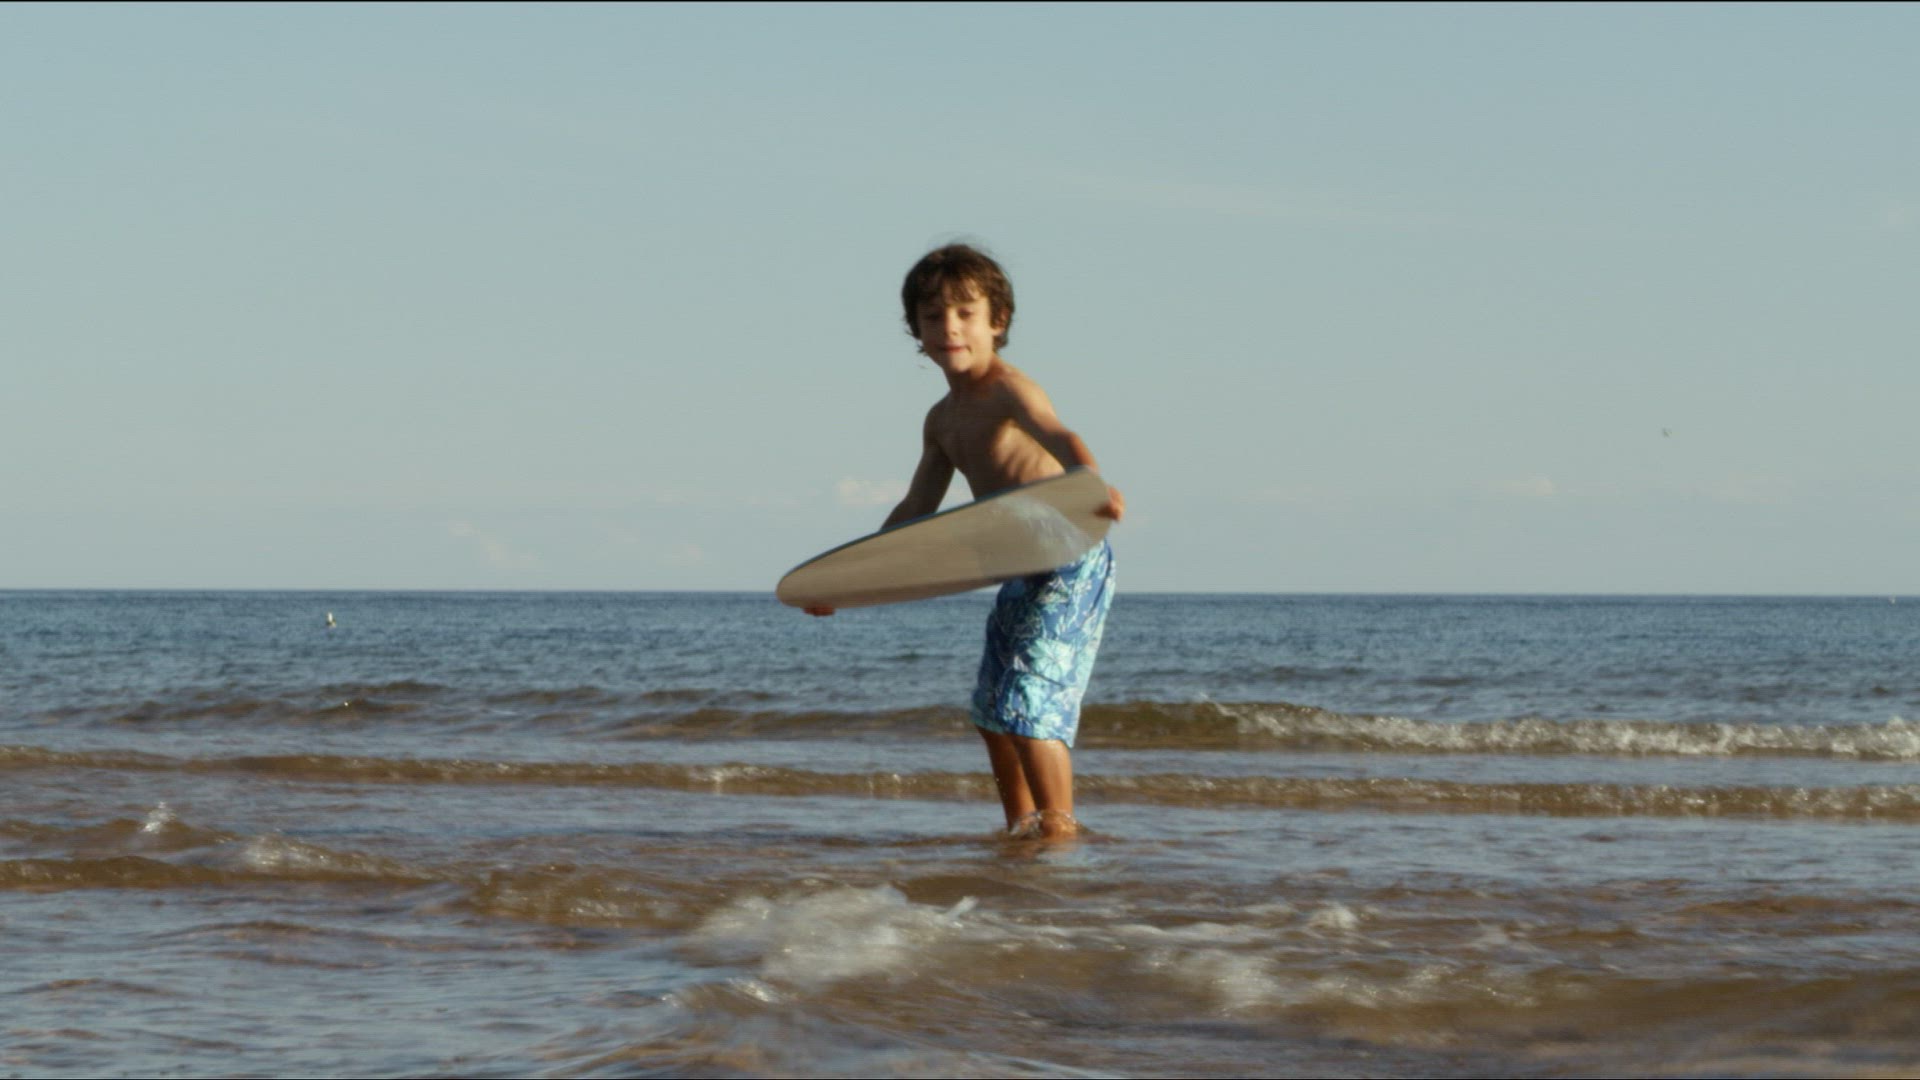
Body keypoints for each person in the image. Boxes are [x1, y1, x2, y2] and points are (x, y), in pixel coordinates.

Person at [805, 244, 1124, 840]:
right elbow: (916, 510)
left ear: (997, 321)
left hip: (1067, 555)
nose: (949, 327)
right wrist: (849, 582)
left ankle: (1059, 832)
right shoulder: (942, 419)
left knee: (1029, 703)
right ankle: (1020, 828)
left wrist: (1091, 484)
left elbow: (1059, 434)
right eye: (933, 316)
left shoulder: (1009, 389)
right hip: (1018, 562)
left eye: (965, 313)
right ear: (917, 331)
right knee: (991, 711)